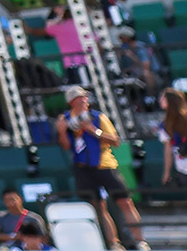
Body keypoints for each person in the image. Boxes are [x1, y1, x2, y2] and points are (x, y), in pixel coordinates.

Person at [57, 85, 143, 250]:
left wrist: (94, 131)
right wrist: (61, 132)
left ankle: (140, 241)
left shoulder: (97, 117)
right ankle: (114, 243)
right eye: (81, 98)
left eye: (85, 97)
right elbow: (67, 146)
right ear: (72, 102)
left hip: (105, 165)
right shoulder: (66, 120)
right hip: (83, 168)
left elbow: (116, 141)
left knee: (125, 202)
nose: (85, 100)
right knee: (98, 206)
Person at [160, 87, 187, 189]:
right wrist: (166, 172)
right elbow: (168, 149)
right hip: (182, 168)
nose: (160, 101)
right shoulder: (165, 124)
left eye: (163, 98)